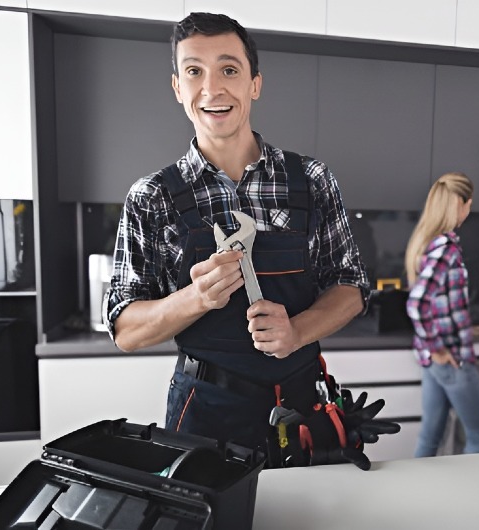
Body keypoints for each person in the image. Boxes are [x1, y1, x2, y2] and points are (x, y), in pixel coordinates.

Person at [104, 12, 397, 469]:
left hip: (301, 403)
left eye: (229, 69)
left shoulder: (312, 179)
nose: (212, 89)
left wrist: (296, 330)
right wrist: (195, 298)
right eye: (194, 72)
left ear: (254, 84)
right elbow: (124, 328)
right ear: (177, 87)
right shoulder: (152, 197)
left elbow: (352, 287)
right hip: (203, 411)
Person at [404, 172, 479, 457]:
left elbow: (441, 302)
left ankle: (420, 495)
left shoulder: (429, 242)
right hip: (450, 358)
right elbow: (418, 303)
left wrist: (465, 327)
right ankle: (471, 500)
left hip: (435, 358)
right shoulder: (447, 247)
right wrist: (439, 347)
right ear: (462, 204)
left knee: (431, 436)